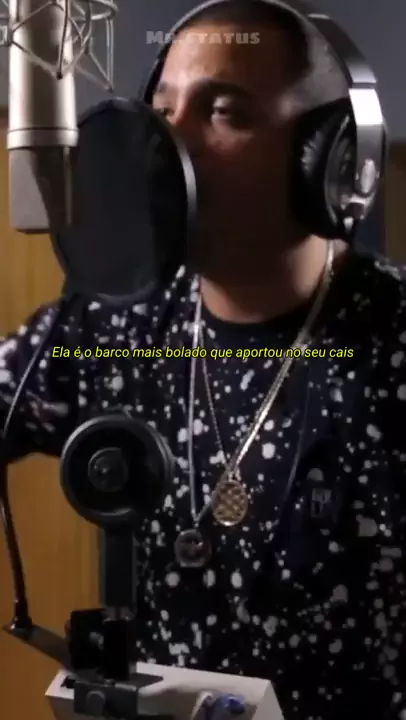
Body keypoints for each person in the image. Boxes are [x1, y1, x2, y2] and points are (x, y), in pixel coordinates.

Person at [1, 1, 406, 719]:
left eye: (224, 112)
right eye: (162, 110)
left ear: (328, 162)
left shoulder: (393, 341)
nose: (167, 141)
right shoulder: (111, 323)